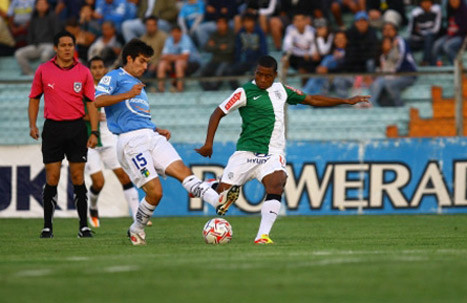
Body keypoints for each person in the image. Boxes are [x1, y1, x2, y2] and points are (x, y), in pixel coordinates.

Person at [195, 55, 370, 244]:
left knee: (277, 183)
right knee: (221, 196)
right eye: (259, 74)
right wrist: (208, 143)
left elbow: (313, 99)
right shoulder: (243, 92)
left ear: (275, 75)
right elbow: (218, 112)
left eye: (267, 76)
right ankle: (209, 185)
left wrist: (346, 101)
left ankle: (262, 236)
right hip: (246, 153)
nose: (262, 79)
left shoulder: (282, 90)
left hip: (272, 153)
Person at [94, 39, 240, 246]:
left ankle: (217, 200)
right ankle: (136, 229)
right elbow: (97, 101)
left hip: (151, 136)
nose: (146, 67)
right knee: (155, 192)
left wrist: (155, 128)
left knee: (184, 173)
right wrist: (128, 94)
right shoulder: (114, 76)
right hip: (130, 142)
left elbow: (134, 114)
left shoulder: (138, 86)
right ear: (129, 58)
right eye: (142, 61)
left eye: (147, 63)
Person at [28, 31, 99, 238]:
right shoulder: (43, 70)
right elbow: (34, 99)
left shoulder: (84, 72)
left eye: (70, 45)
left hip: (76, 128)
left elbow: (91, 103)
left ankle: (83, 226)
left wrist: (93, 131)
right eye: (63, 45)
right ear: (55, 48)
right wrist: (32, 125)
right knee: (52, 177)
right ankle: (47, 226)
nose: (67, 48)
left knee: (78, 177)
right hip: (53, 129)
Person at [85, 56, 143, 228]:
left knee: (124, 177)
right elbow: (74, 113)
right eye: (93, 67)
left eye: (100, 67)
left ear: (104, 70)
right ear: (90, 70)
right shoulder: (85, 90)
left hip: (110, 140)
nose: (97, 70)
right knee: (98, 182)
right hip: (90, 142)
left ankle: (138, 216)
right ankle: (93, 207)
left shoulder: (110, 87)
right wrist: (92, 116)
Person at [370, 22, 417, 107]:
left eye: (390, 29)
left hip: (407, 74)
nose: (387, 31)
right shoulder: (382, 51)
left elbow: (401, 57)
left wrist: (395, 71)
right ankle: (383, 107)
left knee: (389, 84)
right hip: (390, 76)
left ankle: (400, 107)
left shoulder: (399, 42)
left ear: (395, 31)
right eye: (385, 29)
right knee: (377, 84)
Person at [14, 0, 60, 75]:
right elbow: (30, 34)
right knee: (19, 53)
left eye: (43, 4)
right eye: (39, 4)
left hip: (49, 45)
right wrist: (31, 43)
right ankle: (30, 74)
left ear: (47, 5)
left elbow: (57, 33)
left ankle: (45, 76)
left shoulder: (53, 16)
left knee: (45, 55)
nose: (41, 6)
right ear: (36, 6)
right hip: (36, 45)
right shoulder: (33, 17)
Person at [157, 25, 201, 92]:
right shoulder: (169, 40)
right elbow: (163, 56)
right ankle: (160, 89)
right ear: (171, 33)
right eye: (174, 32)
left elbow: (185, 57)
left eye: (177, 32)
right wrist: (175, 57)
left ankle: (179, 89)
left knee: (179, 63)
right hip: (175, 63)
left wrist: (171, 57)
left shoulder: (186, 39)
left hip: (192, 63)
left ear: (181, 33)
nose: (175, 34)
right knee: (162, 64)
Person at [199, 16, 235, 91]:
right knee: (202, 72)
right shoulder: (214, 34)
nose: (220, 25)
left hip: (227, 60)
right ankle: (208, 90)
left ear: (226, 24)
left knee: (219, 74)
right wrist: (220, 46)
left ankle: (213, 90)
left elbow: (229, 49)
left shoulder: (231, 34)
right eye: (218, 23)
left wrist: (215, 45)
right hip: (215, 59)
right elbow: (206, 48)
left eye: (222, 23)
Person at [432, 0, 467, 65]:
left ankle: (455, 66)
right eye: (451, 1)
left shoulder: (464, 11)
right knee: (436, 45)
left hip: (461, 36)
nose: (453, 2)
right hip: (449, 35)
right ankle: (438, 63)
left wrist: (452, 36)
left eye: (455, 1)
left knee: (447, 46)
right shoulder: (449, 10)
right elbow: (446, 27)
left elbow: (464, 29)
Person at [408, 0, 442, 66]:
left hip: (432, 38)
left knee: (429, 38)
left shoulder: (437, 10)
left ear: (431, 3)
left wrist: (423, 33)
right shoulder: (415, 12)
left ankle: (425, 61)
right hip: (419, 39)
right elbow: (411, 30)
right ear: (420, 3)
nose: (426, 4)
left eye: (428, 2)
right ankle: (410, 64)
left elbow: (436, 29)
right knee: (406, 42)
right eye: (424, 2)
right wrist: (423, 34)